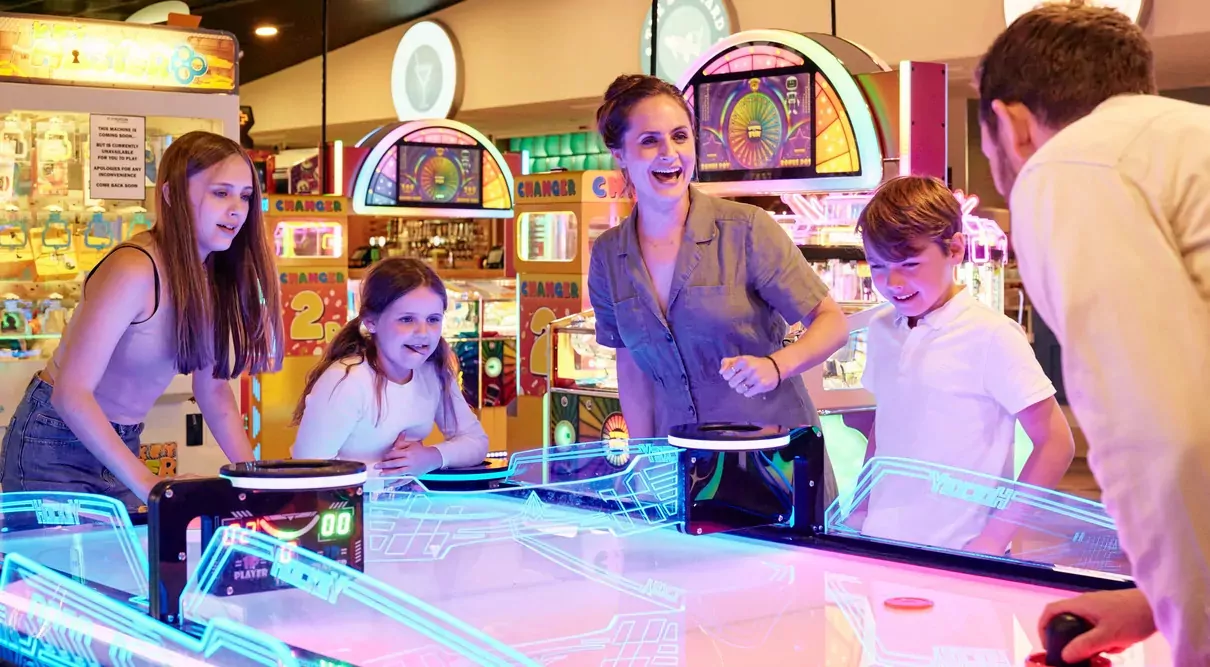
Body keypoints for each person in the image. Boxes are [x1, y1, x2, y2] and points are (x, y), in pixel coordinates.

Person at [977, 5, 1210, 662]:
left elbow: (1162, 427)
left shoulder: (1067, 166)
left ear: (1010, 123)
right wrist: (1150, 601)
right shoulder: (1185, 138)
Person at [0, 131, 284, 509]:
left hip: (120, 439)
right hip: (54, 440)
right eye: (221, 193)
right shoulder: (134, 268)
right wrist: (150, 484)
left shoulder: (209, 274)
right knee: (71, 567)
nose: (237, 209)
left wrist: (253, 476)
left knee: (118, 564)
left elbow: (213, 390)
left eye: (245, 196)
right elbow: (70, 393)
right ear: (171, 195)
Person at [587, 73, 849, 457]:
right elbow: (633, 372)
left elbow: (833, 323)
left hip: (771, 456)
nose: (669, 153)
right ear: (620, 154)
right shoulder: (608, 255)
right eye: (649, 141)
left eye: (680, 136)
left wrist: (776, 366)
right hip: (678, 458)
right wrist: (642, 463)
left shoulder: (747, 229)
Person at [852, 175, 1075, 554]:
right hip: (880, 544)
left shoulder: (993, 335)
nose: (892, 281)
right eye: (876, 266)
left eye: (909, 262)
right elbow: (884, 429)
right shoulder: (880, 328)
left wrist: (993, 539)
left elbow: (1056, 443)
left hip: (962, 552)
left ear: (954, 249)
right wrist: (858, 511)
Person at [292, 257, 488, 475]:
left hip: (405, 504)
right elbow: (308, 471)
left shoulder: (432, 371)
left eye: (433, 319)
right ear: (371, 322)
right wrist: (392, 470)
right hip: (347, 506)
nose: (423, 332)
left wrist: (432, 456)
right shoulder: (346, 380)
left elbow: (476, 442)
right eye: (406, 319)